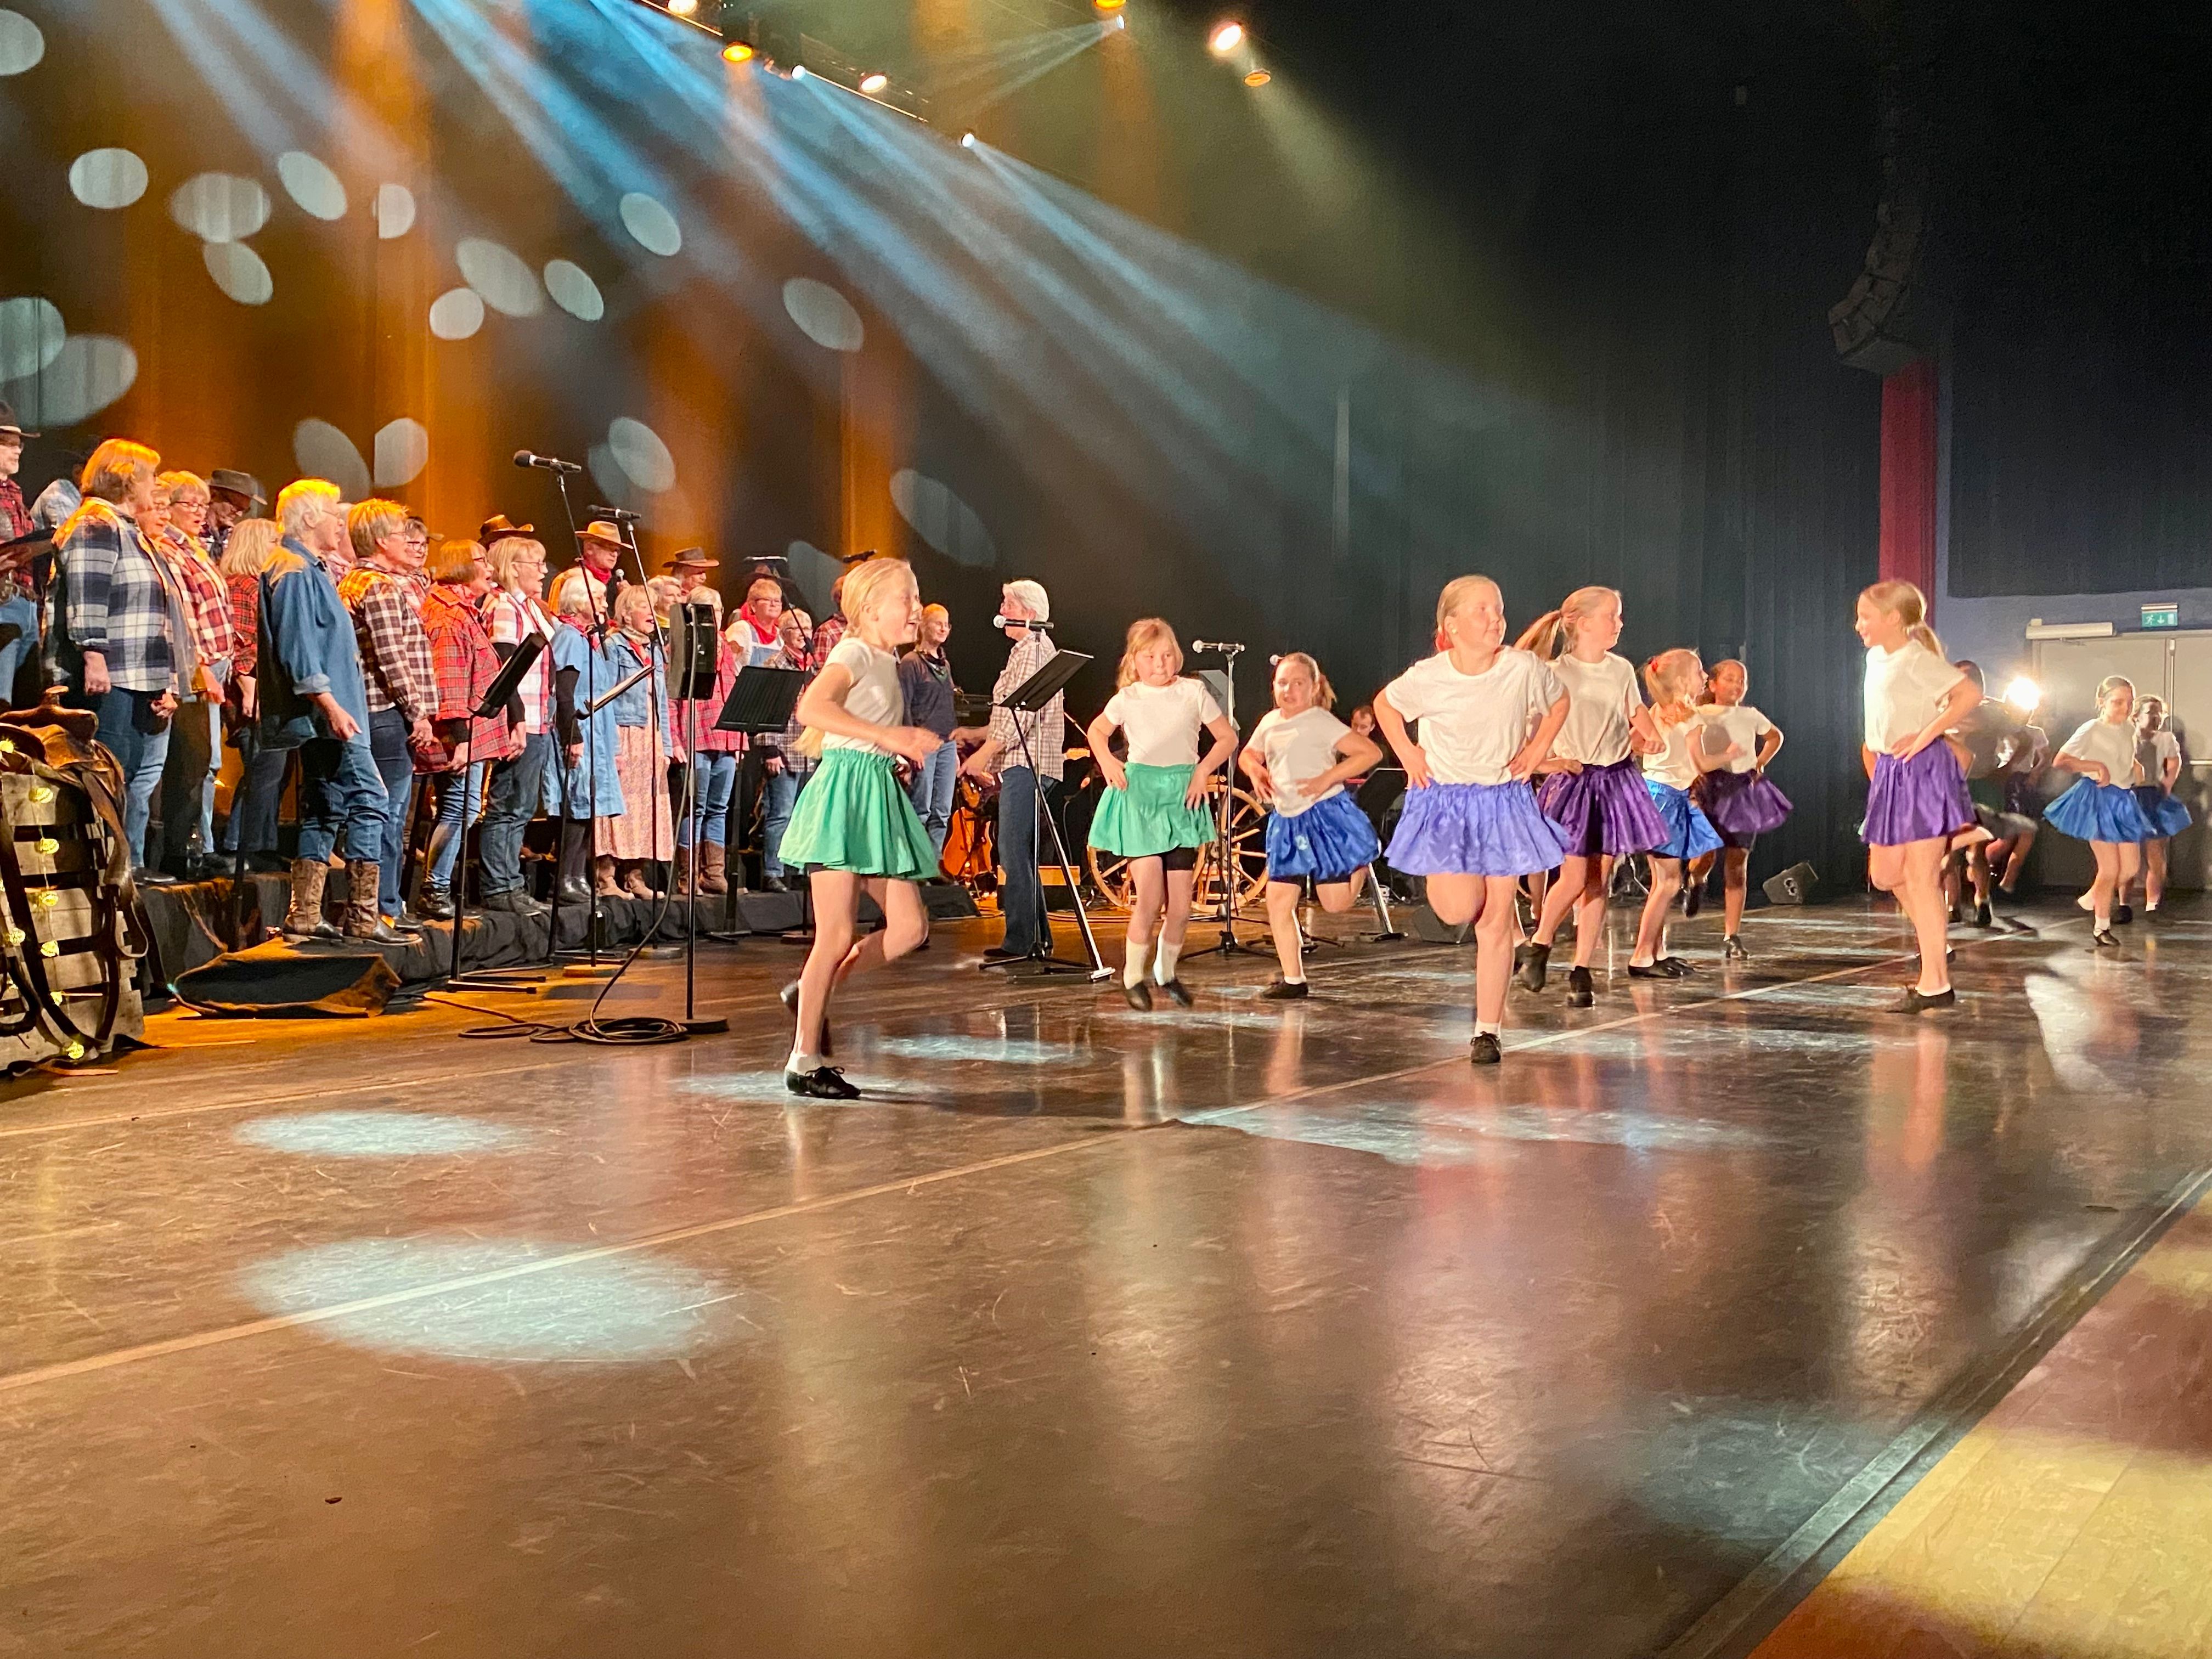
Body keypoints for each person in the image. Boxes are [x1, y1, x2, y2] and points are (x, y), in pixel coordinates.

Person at [1373, 575, 1571, 1064]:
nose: (1495, 619)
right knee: (1461, 909)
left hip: (1503, 800)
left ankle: (1488, 1030)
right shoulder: (1429, 676)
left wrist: (1536, 751)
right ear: (1452, 624)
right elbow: (1386, 705)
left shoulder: (1522, 668)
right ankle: (1473, 916)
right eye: (1481, 610)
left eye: (1498, 609)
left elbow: (1559, 701)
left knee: (1496, 919)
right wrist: (1408, 753)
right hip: (1447, 803)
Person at [775, 558, 943, 1099]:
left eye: (916, 597)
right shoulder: (853, 652)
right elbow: (812, 708)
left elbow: (864, 728)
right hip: (844, 797)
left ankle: (809, 991)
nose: (916, 608)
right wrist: (887, 738)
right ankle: (804, 1061)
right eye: (905, 598)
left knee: (910, 929)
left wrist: (893, 750)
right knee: (836, 934)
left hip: (876, 791)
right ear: (870, 608)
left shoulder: (888, 660)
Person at [1514, 585, 1665, 1009]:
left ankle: (1582, 970)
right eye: (1611, 616)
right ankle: (1541, 943)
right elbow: (1528, 733)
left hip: (1614, 781)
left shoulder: (1620, 670)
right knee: (1575, 876)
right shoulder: (1555, 673)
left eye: (1619, 616)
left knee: (1599, 880)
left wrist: (1650, 736)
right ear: (1582, 623)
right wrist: (1547, 764)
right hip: (1576, 783)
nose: (1619, 624)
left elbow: (1637, 713)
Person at [259, 479, 394, 943]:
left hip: (331, 713)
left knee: (324, 806)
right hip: (330, 715)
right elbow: (298, 648)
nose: (342, 523)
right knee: (370, 799)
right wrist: (331, 706)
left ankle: (305, 915)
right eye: (335, 514)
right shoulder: (294, 570)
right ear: (310, 518)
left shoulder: (309, 569)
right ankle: (363, 917)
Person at [1086, 618, 1239, 1012]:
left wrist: (1202, 772)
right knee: (1150, 897)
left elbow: (1227, 738)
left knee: (1182, 907)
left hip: (1182, 798)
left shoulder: (1193, 692)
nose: (1161, 663)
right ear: (1135, 661)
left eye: (1168, 655)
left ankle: (1166, 972)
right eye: (1151, 657)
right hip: (1141, 799)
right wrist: (1107, 761)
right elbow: (1097, 731)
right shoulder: (1128, 698)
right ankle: (1132, 976)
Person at [45, 439, 180, 873]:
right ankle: (96, 874)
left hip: (136, 675)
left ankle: (117, 871)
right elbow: (88, 594)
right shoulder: (95, 524)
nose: (155, 486)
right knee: (102, 777)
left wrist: (164, 681)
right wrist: (94, 655)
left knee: (125, 776)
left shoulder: (129, 530)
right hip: (109, 676)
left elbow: (154, 612)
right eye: (150, 478)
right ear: (126, 479)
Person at [1857, 579, 1979, 1011]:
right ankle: (1935, 943)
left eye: (1866, 617)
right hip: (1892, 770)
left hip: (1923, 769)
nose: (1859, 625)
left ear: (1893, 618)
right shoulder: (1876, 657)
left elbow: (1969, 694)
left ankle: (1935, 983)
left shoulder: (1915, 659)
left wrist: (1927, 734)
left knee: (1922, 880)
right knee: (1885, 875)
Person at [1239, 652, 1383, 999]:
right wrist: (1255, 770)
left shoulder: (1321, 721)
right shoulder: (1270, 722)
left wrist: (1326, 778)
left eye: (1298, 683)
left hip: (1324, 816)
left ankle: (1361, 860)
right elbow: (1247, 755)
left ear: (1314, 687)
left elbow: (1370, 753)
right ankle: (1294, 979)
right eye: (1282, 683)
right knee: (1278, 901)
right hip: (1287, 821)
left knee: (1335, 904)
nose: (1289, 690)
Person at [338, 500, 437, 931]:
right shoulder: (377, 586)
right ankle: (385, 907)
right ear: (381, 541)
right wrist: (418, 711)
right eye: (401, 536)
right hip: (385, 711)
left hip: (377, 711)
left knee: (384, 812)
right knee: (389, 815)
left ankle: (385, 904)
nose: (409, 543)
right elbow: (391, 656)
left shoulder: (356, 581)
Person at [961, 580, 1064, 960]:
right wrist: (975, 733)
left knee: (1011, 848)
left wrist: (983, 754)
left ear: (1030, 614)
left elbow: (1022, 713)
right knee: (1020, 850)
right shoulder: (1026, 651)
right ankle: (1037, 936)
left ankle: (1021, 940)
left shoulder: (1033, 650)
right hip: (1025, 760)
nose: (1002, 610)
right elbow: (1007, 715)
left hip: (1028, 762)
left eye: (1009, 604)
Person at [415, 539, 510, 919]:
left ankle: (437, 887)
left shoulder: (464, 611)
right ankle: (435, 891)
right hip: (458, 736)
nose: (490, 568)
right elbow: (450, 683)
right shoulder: (449, 617)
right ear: (461, 566)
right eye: (482, 560)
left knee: (461, 809)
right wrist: (462, 741)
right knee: (459, 809)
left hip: (469, 733)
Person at [149, 472, 236, 879]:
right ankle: (184, 849)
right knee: (191, 760)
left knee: (206, 762)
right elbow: (185, 618)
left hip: (213, 664)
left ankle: (199, 844)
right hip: (192, 667)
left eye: (204, 505)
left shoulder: (194, 547)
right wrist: (202, 669)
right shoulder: (168, 548)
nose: (201, 513)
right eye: (191, 505)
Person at [1686, 658, 1790, 958]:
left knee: (1737, 864)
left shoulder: (1750, 715)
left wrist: (1760, 762)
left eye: (1741, 681)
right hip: (1709, 787)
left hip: (1741, 790)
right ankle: (1696, 880)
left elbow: (1775, 737)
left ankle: (1732, 935)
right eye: (1729, 679)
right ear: (1713, 684)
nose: (1736, 685)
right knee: (1705, 854)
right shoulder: (1700, 714)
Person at [1631, 648, 1724, 977]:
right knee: (1669, 883)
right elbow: (1701, 763)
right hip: (1666, 799)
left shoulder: (1657, 710)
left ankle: (1657, 951)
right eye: (1699, 672)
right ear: (1684, 680)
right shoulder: (1691, 718)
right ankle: (1642, 955)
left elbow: (1634, 742)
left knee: (1663, 881)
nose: (1705, 678)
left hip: (1657, 794)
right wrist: (1729, 755)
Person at [479, 536, 557, 914]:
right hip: (519, 719)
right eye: (536, 564)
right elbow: (506, 670)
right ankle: (498, 887)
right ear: (513, 567)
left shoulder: (528, 607)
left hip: (538, 718)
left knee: (523, 807)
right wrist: (518, 721)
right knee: (508, 804)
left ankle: (511, 884)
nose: (543, 571)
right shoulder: (504, 607)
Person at [2044, 675, 2150, 947]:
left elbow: (2124, 756)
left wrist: (2135, 767)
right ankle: (2101, 926)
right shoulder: (2091, 728)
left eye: (2130, 703)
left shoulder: (2129, 729)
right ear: (2101, 702)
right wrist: (2095, 766)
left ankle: (2093, 896)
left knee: (2130, 867)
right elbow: (2061, 760)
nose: (2125, 708)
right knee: (2110, 868)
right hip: (2098, 798)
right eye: (2118, 702)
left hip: (2123, 800)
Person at [667, 553, 742, 896]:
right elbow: (671, 698)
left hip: (725, 737)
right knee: (694, 808)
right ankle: (689, 875)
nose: (717, 616)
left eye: (720, 610)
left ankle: (714, 873)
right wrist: (675, 740)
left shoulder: (725, 644)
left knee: (719, 807)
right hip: (695, 735)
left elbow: (732, 691)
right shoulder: (681, 645)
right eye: (709, 611)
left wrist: (739, 739)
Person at [216, 518, 288, 870]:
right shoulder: (242, 586)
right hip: (253, 692)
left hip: (267, 690)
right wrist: (248, 688)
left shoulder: (260, 585)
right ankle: (239, 847)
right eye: (274, 541)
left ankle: (261, 845)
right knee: (262, 767)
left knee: (273, 769)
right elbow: (241, 643)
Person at [599, 584, 678, 898]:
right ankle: (606, 877)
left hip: (650, 736)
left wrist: (666, 745)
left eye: (652, 607)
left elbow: (662, 701)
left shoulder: (654, 650)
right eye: (644, 607)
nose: (651, 613)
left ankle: (635, 877)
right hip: (624, 732)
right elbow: (604, 697)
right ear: (626, 613)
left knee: (646, 809)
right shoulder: (613, 646)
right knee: (618, 808)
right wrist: (612, 747)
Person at [549, 581, 623, 903]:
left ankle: (578, 876)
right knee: (577, 805)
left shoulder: (588, 639)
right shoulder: (568, 637)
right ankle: (563, 879)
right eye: (599, 599)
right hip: (580, 729)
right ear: (580, 602)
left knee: (589, 806)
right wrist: (573, 737)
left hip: (597, 732)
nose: (605, 605)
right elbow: (565, 693)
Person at [759, 606, 817, 891]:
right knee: (781, 813)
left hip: (810, 753)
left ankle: (798, 870)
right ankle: (773, 871)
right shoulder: (775, 665)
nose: (804, 634)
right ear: (784, 634)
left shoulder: (813, 667)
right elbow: (766, 711)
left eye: (808, 629)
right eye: (797, 629)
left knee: (805, 816)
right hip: (784, 751)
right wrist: (770, 750)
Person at [900, 603, 961, 859]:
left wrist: (954, 750)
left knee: (942, 811)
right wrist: (910, 747)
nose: (944, 629)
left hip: (946, 744)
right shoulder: (911, 663)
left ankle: (933, 864)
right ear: (923, 626)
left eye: (947, 624)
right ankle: (915, 865)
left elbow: (947, 707)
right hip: (923, 745)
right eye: (938, 623)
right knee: (921, 809)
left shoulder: (945, 665)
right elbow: (903, 706)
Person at [2129, 694, 2191, 915]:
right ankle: (2123, 901)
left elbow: (2174, 761)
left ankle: (2153, 902)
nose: (2156, 718)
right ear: (2136, 716)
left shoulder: (2166, 739)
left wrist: (2168, 783)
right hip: (2129, 795)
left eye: (2160, 714)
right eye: (2150, 713)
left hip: (2153, 795)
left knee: (2156, 851)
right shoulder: (2127, 738)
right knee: (2127, 852)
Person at [0, 402, 39, 707]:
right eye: (8, 444)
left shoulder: (14, 492)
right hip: (3, 602)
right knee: (2, 702)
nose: (17, 451)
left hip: (26, 602)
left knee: (25, 705)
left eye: (19, 445)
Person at [549, 520, 622, 619]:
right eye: (609, 547)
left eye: (617, 550)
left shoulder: (615, 585)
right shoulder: (572, 578)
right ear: (589, 548)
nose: (614, 554)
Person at [205, 470, 264, 559]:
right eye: (235, 507)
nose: (240, 514)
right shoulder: (193, 528)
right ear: (213, 496)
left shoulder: (236, 537)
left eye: (245, 510)